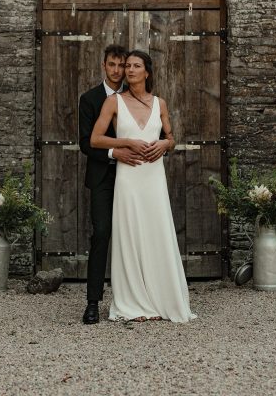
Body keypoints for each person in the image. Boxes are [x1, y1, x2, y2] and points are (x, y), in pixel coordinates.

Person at [90, 50, 197, 322]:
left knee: (156, 233)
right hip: (128, 178)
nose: (129, 70)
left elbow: (171, 138)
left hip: (153, 178)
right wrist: (125, 143)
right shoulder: (114, 102)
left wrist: (164, 144)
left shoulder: (159, 103)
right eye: (127, 66)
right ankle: (132, 303)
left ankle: (161, 300)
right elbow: (95, 139)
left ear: (147, 72)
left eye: (136, 66)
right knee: (130, 236)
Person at [79, 45, 143, 325]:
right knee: (102, 233)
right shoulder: (90, 99)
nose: (118, 71)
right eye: (112, 65)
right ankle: (93, 302)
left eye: (122, 65)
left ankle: (138, 299)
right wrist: (113, 153)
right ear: (103, 65)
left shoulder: (136, 98)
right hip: (103, 176)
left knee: (135, 235)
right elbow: (85, 142)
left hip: (134, 177)